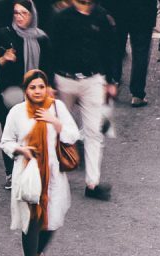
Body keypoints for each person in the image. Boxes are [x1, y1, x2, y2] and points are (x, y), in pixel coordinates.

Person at [1, 72, 81, 256]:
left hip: (53, 174)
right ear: (26, 90)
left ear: (47, 88)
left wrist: (55, 123)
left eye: (41, 87)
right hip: (27, 173)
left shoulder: (56, 108)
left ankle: (37, 254)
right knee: (31, 222)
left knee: (53, 219)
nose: (37, 91)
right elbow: (5, 141)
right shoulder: (17, 112)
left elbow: (73, 136)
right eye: (32, 87)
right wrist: (20, 149)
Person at [46, 0, 118, 195]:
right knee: (55, 130)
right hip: (63, 79)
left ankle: (92, 184)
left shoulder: (101, 16)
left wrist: (110, 81)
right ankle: (51, 178)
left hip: (92, 79)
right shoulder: (62, 17)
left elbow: (110, 49)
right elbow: (51, 50)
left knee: (93, 132)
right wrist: (49, 84)